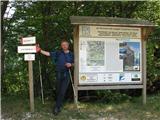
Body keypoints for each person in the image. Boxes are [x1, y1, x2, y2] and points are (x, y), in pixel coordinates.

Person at [36, 39, 74, 115]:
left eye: (65, 45)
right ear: (61, 46)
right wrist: (40, 50)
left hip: (67, 74)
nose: (64, 46)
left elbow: (75, 63)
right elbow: (49, 54)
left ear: (68, 45)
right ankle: (58, 104)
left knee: (62, 91)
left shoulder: (71, 54)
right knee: (58, 91)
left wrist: (71, 65)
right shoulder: (58, 53)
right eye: (62, 45)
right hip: (58, 74)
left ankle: (57, 108)